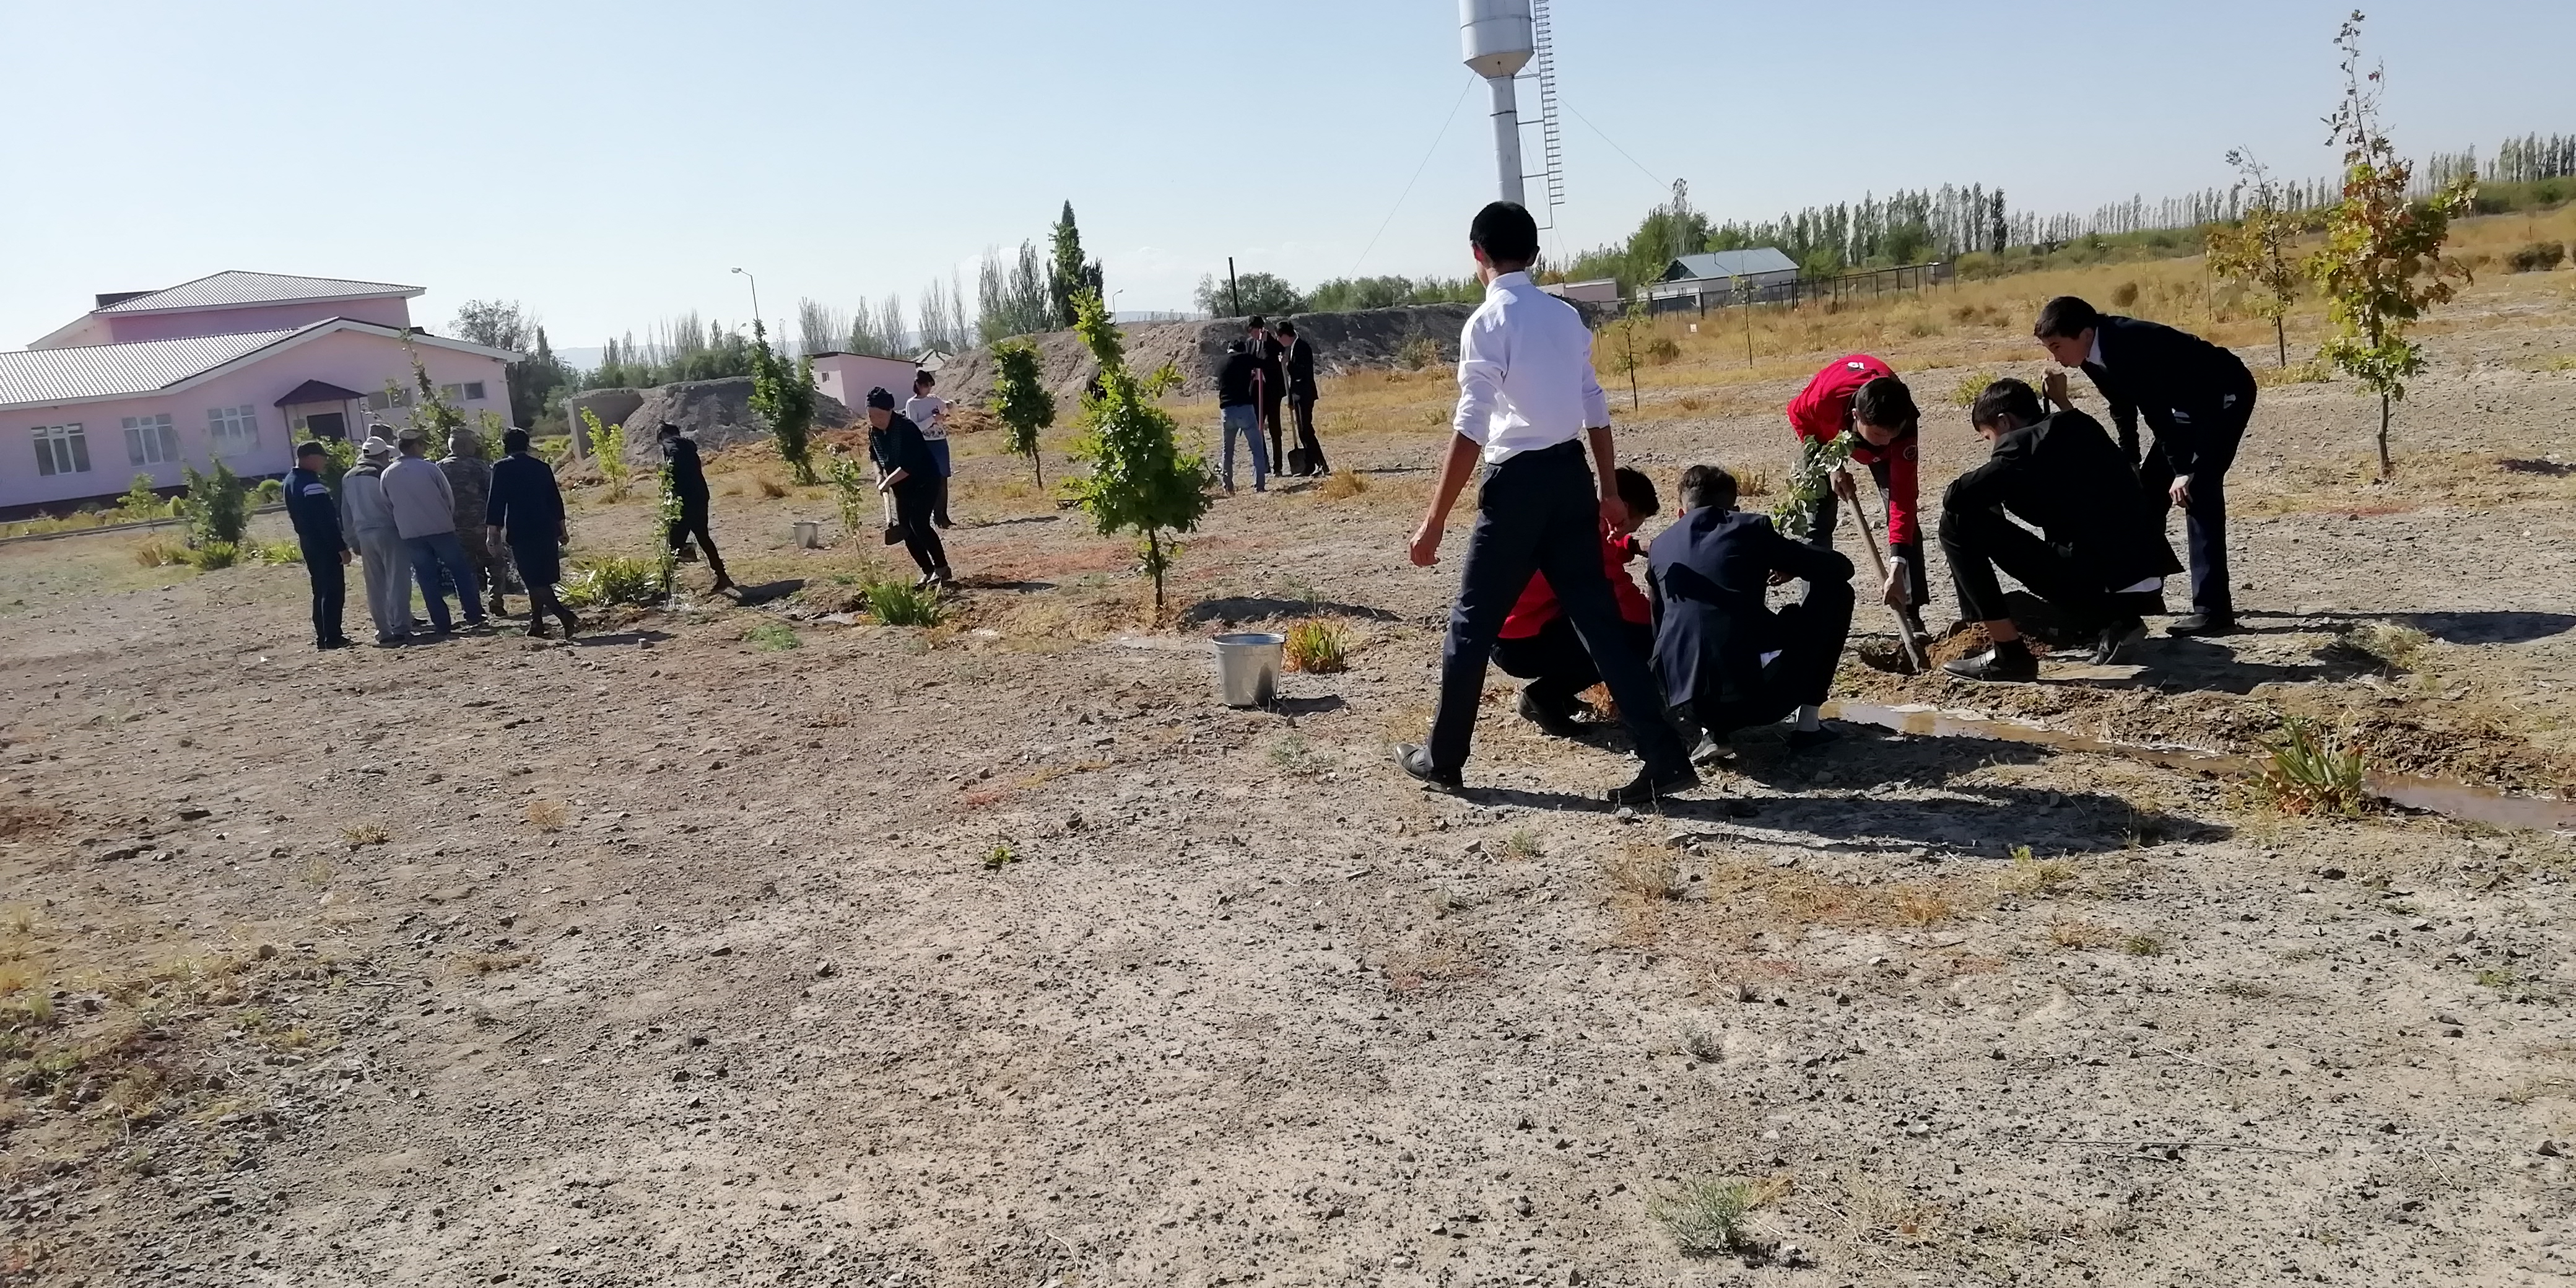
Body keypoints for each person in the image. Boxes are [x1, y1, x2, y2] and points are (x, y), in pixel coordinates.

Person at [1395, 200, 1698, 806]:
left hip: (1516, 487)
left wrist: (1433, 521)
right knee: (1600, 625)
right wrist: (1608, 490)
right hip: (1570, 478)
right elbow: (1595, 406)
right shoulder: (1565, 318)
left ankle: (1444, 759)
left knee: (1470, 626)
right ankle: (1664, 756)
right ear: (1535, 254)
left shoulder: (1486, 323)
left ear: (1477, 254)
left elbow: (1470, 427)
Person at [2034, 295, 2255, 635]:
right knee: (2148, 495)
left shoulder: (2125, 344)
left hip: (2223, 394)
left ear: (2085, 334)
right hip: (2184, 407)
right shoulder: (2090, 356)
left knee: (2198, 491)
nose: (2055, 358)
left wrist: (2183, 471)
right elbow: (2122, 405)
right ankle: (2146, 595)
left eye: (2057, 346)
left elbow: (2156, 413)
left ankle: (2214, 613)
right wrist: (2131, 460)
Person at [1939, 378, 2183, 682]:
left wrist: (1993, 492)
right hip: (2145, 584)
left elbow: (1956, 496)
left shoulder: (2021, 444)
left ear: (2004, 421)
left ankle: (2009, 655)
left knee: (1956, 521)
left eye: (1989, 437)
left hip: (2100, 585)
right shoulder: (2079, 423)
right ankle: (2114, 621)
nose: (1993, 446)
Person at [1647, 465, 1855, 754]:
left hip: (1687, 705)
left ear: (1681, 514)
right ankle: (1808, 726)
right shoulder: (1749, 528)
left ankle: (1713, 733)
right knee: (1837, 591)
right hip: (1757, 702)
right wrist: (1791, 564)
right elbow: (1841, 568)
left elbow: (1658, 626)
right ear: (1735, 509)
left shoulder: (1659, 546)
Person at [1491, 466, 1658, 738]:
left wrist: (1630, 544)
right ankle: (1543, 697)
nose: (1622, 533)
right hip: (1519, 645)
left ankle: (1558, 693)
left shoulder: (1574, 513)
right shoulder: (1589, 538)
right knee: (1627, 638)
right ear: (1622, 508)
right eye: (1630, 526)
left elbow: (1601, 549)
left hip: (1507, 630)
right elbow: (1623, 601)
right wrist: (1663, 622)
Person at [1786, 355, 1926, 609]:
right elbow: (1798, 416)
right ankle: (1815, 608)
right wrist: (1833, 465)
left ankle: (1910, 609)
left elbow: (1903, 498)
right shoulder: (1824, 400)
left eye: (1891, 435)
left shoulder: (1902, 422)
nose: (1885, 443)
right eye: (1879, 435)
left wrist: (1896, 566)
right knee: (1817, 519)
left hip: (1873, 424)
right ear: (1856, 416)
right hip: (1825, 436)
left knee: (1905, 519)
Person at [380, 427, 485, 634]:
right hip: (440, 528)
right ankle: (473, 614)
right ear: (416, 446)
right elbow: (448, 497)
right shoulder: (429, 468)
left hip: (411, 533)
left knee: (426, 578)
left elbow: (387, 505)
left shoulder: (388, 473)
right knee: (460, 571)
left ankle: (441, 623)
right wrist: (447, 518)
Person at [486, 428, 580, 639]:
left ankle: (564, 615)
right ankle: (537, 623)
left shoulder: (501, 468)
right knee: (539, 578)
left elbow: (496, 504)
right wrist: (562, 530)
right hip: (546, 528)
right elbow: (555, 501)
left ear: (505, 445)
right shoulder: (541, 467)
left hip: (522, 529)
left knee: (533, 579)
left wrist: (493, 535)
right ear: (527, 444)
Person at [865, 388, 951, 586]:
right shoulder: (874, 432)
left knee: (919, 524)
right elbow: (874, 455)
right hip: (901, 486)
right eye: (871, 416)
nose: (875, 420)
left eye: (879, 416)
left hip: (925, 480)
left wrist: (887, 482)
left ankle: (942, 568)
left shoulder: (906, 428)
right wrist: (879, 475)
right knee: (905, 529)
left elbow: (909, 466)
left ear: (890, 411)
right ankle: (928, 571)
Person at [337, 436, 411, 645]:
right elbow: (396, 503)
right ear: (382, 455)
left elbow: (346, 512)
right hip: (389, 530)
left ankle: (383, 629)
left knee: (375, 585)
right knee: (398, 580)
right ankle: (401, 626)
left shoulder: (348, 477)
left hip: (364, 534)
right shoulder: (384, 473)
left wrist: (351, 539)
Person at [282, 441, 352, 650]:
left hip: (308, 541)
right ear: (311, 458)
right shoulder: (312, 485)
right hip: (323, 543)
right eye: (322, 458)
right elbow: (325, 520)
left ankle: (323, 635)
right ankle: (333, 636)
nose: (325, 462)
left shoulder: (291, 480)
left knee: (320, 589)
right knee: (333, 590)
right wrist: (341, 547)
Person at [437, 425, 511, 619]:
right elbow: (492, 493)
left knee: (464, 570)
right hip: (482, 526)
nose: (475, 447)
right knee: (496, 562)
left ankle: (472, 608)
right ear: (464, 446)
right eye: (472, 444)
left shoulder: (439, 468)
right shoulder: (478, 466)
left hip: (454, 528)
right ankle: (496, 600)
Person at [656, 423, 734, 593]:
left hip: (685, 499)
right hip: (700, 495)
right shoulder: (688, 446)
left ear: (663, 436)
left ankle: (666, 588)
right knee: (703, 536)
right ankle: (722, 577)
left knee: (673, 543)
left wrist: (669, 471)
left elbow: (674, 456)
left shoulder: (670, 442)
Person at [1215, 339, 1269, 494]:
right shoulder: (1245, 358)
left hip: (1226, 409)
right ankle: (1259, 485)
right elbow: (1264, 363)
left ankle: (1228, 486)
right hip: (1245, 408)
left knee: (1227, 451)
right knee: (1256, 449)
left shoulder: (1220, 362)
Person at [903, 370, 954, 529]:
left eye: (931, 385)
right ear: (918, 385)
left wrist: (949, 406)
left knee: (943, 479)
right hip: (925, 444)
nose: (929, 388)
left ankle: (943, 516)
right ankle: (934, 516)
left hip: (940, 442)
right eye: (926, 385)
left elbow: (945, 407)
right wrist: (932, 419)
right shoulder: (912, 404)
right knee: (931, 481)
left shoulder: (934, 399)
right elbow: (914, 427)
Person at [1278, 320, 1327, 476]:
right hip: (1297, 395)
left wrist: (1287, 364)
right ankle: (1310, 465)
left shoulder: (1302, 347)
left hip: (1305, 394)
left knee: (1306, 431)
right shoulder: (1293, 348)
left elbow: (1301, 373)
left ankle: (1321, 464)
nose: (1279, 340)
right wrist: (1291, 399)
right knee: (1303, 431)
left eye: (1279, 337)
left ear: (1285, 336)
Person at [1248, 315, 1287, 468]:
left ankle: (1278, 465)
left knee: (1275, 429)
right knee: (1258, 428)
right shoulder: (1250, 343)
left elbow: (1280, 351)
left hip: (1272, 392)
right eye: (1250, 331)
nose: (1251, 334)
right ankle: (1264, 462)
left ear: (1260, 329)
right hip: (1257, 392)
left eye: (1253, 330)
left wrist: (1267, 341)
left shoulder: (1271, 342)